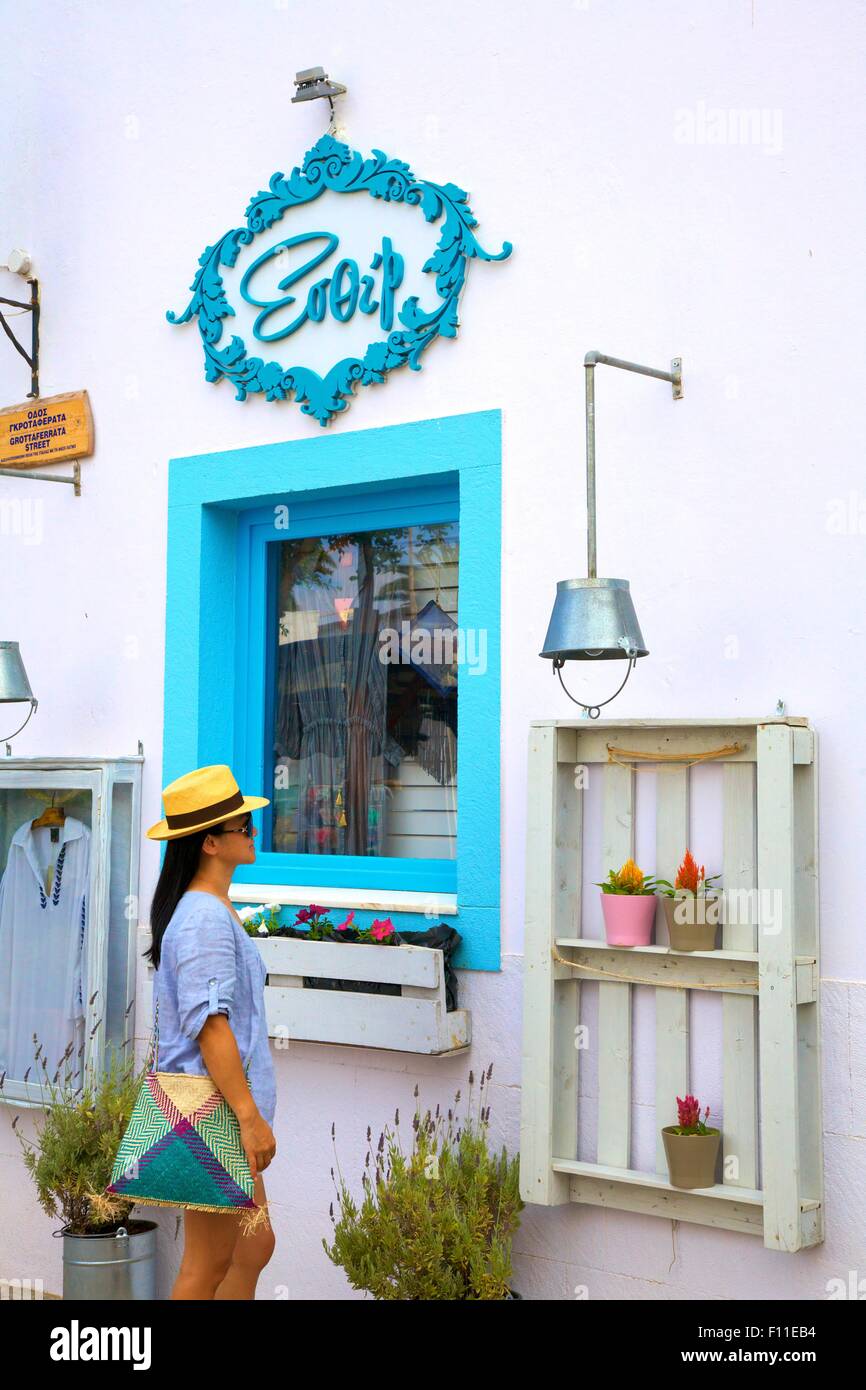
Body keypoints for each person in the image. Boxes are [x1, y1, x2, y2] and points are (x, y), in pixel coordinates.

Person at [144, 764, 277, 1300]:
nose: (252, 831)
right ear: (209, 844)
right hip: (212, 1114)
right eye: (242, 826)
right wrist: (248, 1118)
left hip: (217, 1110)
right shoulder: (202, 917)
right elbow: (209, 1025)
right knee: (208, 1261)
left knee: (253, 1244)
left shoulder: (211, 909)